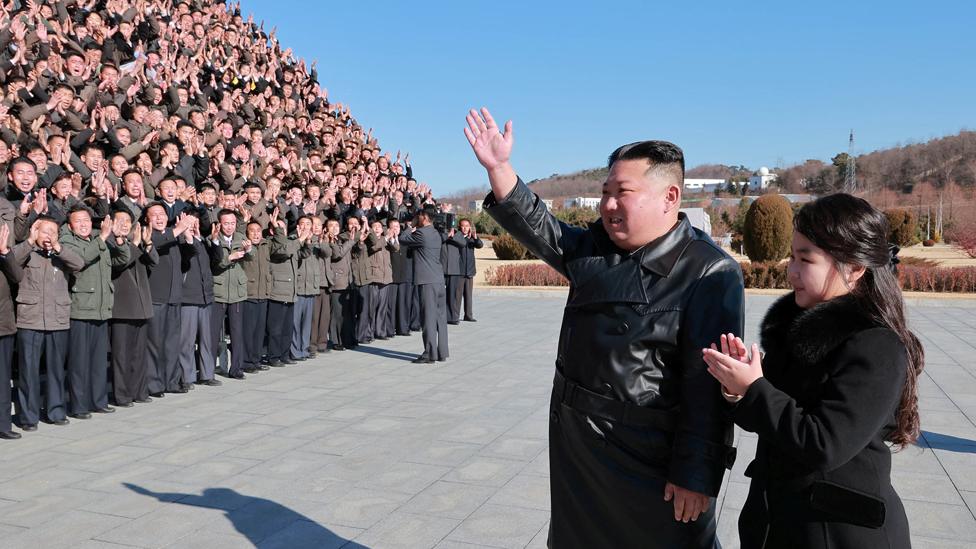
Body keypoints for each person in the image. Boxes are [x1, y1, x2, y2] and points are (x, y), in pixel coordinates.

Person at [464, 107, 744, 548]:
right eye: (605, 191)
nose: (609, 204)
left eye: (623, 192)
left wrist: (696, 473)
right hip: (580, 451)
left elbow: (707, 387)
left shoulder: (709, 271)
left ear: (669, 197)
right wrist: (500, 169)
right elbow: (546, 231)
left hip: (646, 458)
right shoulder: (596, 248)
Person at [702, 194, 922, 549]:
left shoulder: (876, 345)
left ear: (854, 268)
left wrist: (756, 388)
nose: (791, 270)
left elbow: (825, 444)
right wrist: (737, 388)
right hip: (779, 522)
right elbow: (771, 418)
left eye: (806, 259)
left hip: (839, 531)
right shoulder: (798, 331)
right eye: (792, 256)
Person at [11, 217, 85, 430]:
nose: (49, 236)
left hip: (58, 320)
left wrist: (58, 248)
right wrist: (30, 242)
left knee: (55, 370)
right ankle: (28, 417)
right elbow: (11, 261)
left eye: (53, 232)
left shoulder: (61, 254)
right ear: (35, 232)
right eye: (44, 231)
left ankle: (55, 411)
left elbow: (79, 264)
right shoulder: (27, 252)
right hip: (30, 319)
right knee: (28, 371)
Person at [61, 205, 130, 419]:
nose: (83, 225)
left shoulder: (97, 238)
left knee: (99, 360)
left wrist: (118, 240)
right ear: (71, 225)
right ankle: (79, 405)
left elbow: (121, 260)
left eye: (86, 220)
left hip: (101, 308)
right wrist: (103, 238)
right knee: (79, 362)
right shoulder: (67, 241)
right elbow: (80, 260)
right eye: (78, 221)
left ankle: (98, 400)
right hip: (81, 308)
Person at [109, 208, 157, 407]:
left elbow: (154, 261)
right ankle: (122, 394)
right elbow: (119, 264)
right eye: (120, 220)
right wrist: (136, 245)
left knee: (139, 353)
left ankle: (139, 391)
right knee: (121, 355)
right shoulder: (109, 243)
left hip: (141, 305)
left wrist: (147, 243)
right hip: (121, 307)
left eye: (128, 220)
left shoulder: (133, 242)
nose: (125, 224)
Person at [398, 210, 449, 364]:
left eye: (417, 217)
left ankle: (429, 353)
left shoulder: (421, 234)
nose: (415, 219)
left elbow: (402, 239)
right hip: (438, 280)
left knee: (428, 318)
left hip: (427, 281)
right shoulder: (435, 234)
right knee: (440, 317)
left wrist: (409, 226)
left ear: (425, 218)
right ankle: (442, 352)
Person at [211, 209, 252, 381]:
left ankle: (236, 368)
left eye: (232, 223)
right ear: (220, 224)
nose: (229, 227)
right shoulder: (213, 240)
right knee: (212, 332)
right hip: (218, 291)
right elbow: (215, 263)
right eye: (226, 223)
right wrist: (230, 257)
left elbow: (251, 257)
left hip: (237, 291)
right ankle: (208, 368)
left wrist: (249, 250)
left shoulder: (241, 238)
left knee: (237, 332)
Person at [0, 223, 22, 439]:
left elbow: (18, 277)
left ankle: (3, 424)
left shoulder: (5, 254)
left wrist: (5, 252)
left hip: (3, 324)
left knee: (2, 379)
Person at [241, 221, 271, 373]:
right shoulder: (243, 245)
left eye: (258, 230)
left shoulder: (266, 245)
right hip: (249, 294)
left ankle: (256, 359)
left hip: (263, 293)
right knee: (248, 331)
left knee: (259, 331)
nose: (256, 233)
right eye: (252, 231)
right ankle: (246, 361)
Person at [457, 218, 483, 322]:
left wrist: (475, 237)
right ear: (460, 227)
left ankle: (468, 315)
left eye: (467, 226)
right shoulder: (457, 236)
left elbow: (480, 245)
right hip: (459, 271)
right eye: (463, 226)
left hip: (470, 270)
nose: (465, 228)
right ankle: (455, 316)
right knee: (457, 296)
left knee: (468, 295)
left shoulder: (473, 238)